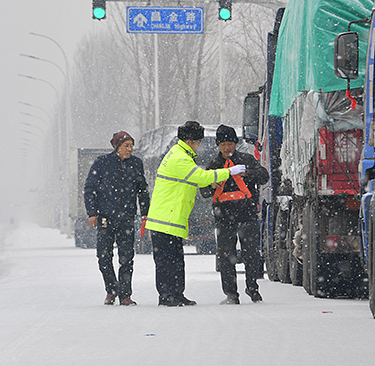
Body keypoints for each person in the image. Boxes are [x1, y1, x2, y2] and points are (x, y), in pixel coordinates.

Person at [145, 121, 245, 307]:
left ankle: (177, 294)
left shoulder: (182, 155)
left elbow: (195, 179)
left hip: (172, 218)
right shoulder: (179, 158)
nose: (199, 145)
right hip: (165, 219)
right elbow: (199, 176)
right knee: (166, 262)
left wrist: (209, 182)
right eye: (198, 142)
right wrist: (228, 172)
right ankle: (167, 296)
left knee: (176, 260)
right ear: (190, 141)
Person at [203, 125, 269, 305]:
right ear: (218, 145)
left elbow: (264, 176)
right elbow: (204, 191)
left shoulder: (246, 160)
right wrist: (211, 185)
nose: (227, 148)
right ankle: (231, 294)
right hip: (223, 218)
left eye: (230, 143)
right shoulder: (213, 166)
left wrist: (247, 173)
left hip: (247, 215)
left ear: (235, 143)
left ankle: (252, 288)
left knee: (251, 255)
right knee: (226, 257)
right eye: (223, 144)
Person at [84, 131, 150, 306]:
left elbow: (142, 189)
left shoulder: (136, 164)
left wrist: (145, 211)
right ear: (117, 147)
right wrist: (92, 213)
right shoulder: (103, 163)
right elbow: (90, 188)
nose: (130, 149)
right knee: (103, 256)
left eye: (131, 145)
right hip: (106, 217)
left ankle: (125, 295)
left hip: (127, 218)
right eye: (126, 146)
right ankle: (111, 289)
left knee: (127, 258)